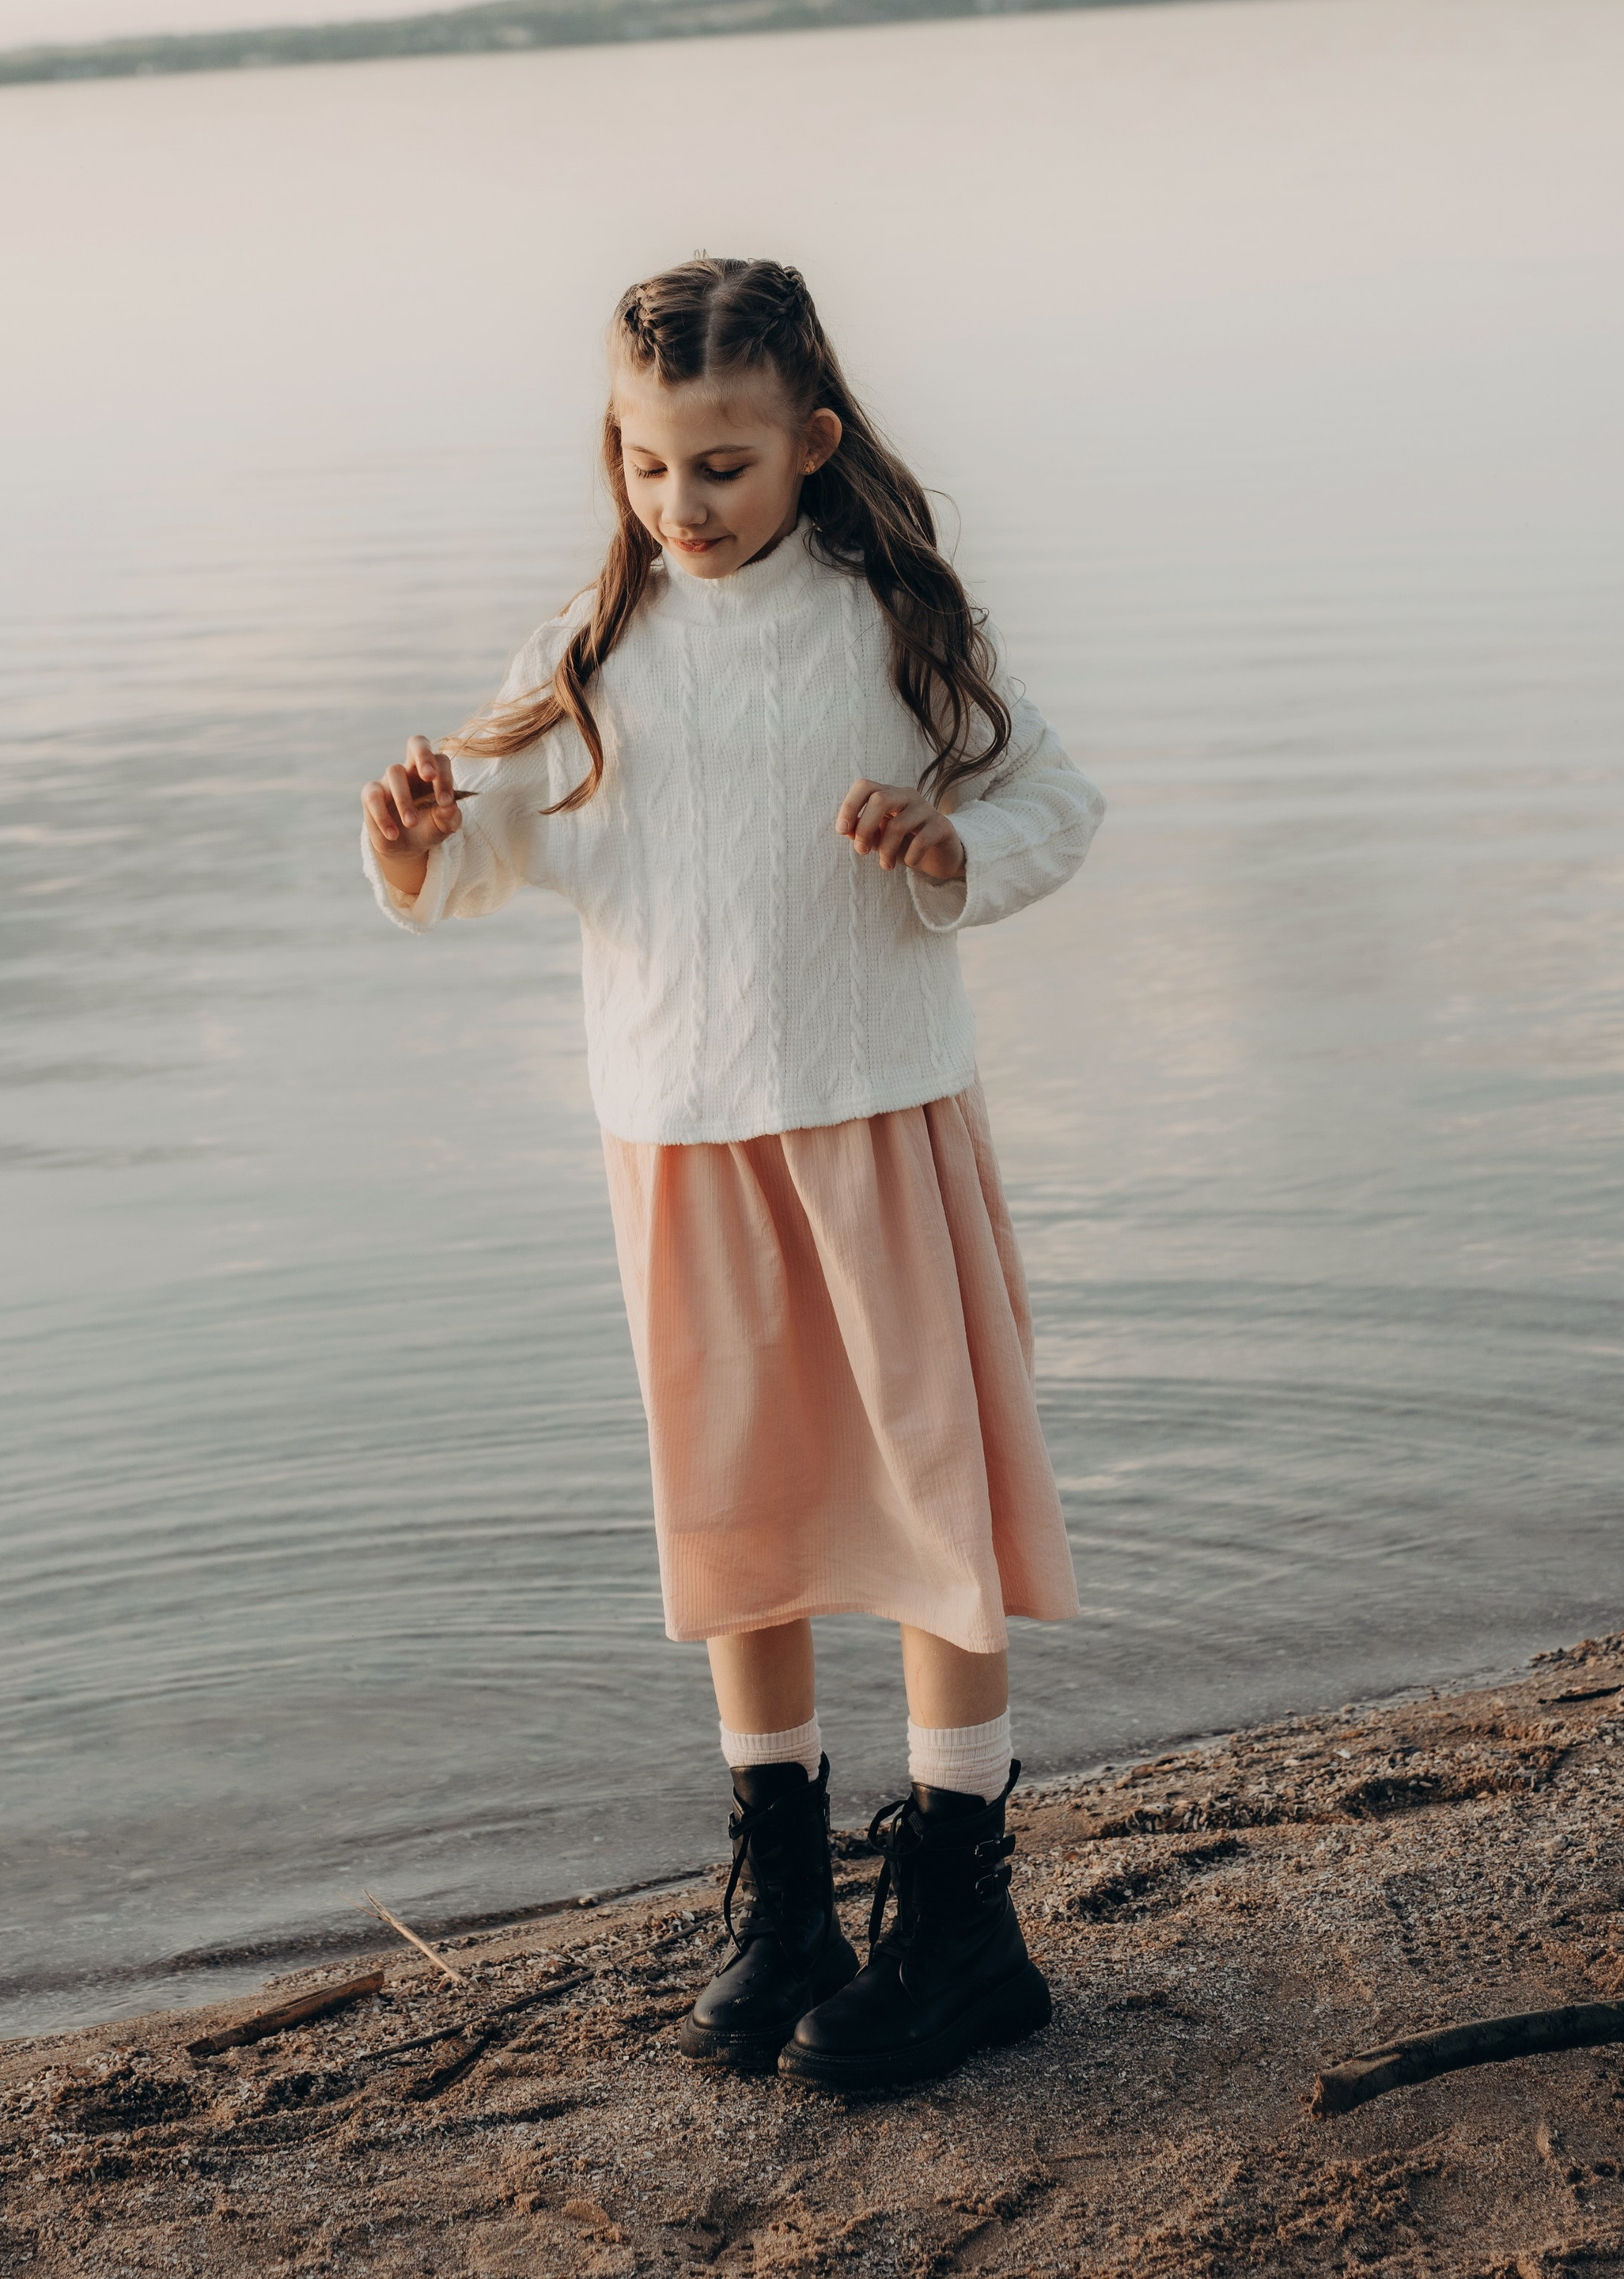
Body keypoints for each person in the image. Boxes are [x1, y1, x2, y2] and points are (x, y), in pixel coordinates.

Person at [359, 257, 1103, 2092]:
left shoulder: (890, 623)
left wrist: (945, 844)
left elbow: (1048, 809)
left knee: (931, 1511)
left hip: (871, 1113)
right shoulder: (590, 654)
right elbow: (491, 853)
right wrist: (416, 843)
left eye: (718, 468)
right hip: (677, 1133)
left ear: (809, 446)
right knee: (738, 1519)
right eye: (643, 467)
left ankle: (961, 1922)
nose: (677, 508)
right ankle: (783, 1900)